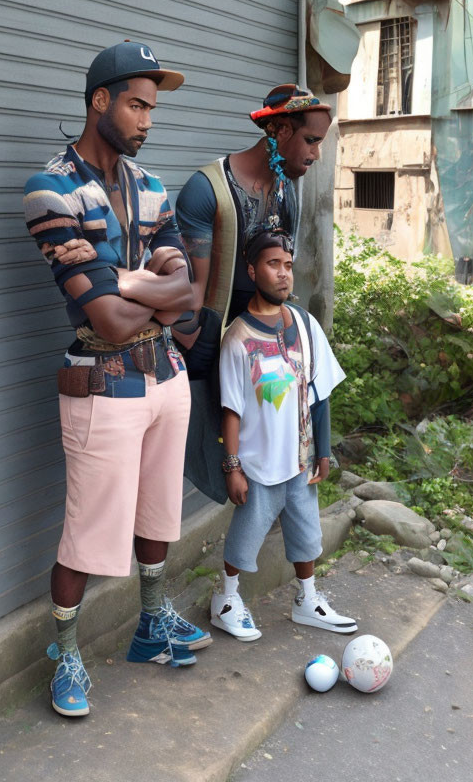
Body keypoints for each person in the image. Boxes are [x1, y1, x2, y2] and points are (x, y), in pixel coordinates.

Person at [23, 41, 211, 718]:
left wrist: (129, 282)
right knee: (88, 533)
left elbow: (187, 290)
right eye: (136, 104)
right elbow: (104, 315)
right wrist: (143, 288)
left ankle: (151, 623)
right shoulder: (51, 189)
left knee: (160, 514)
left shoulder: (152, 187)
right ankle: (65, 652)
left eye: (152, 108)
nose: (148, 120)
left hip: (166, 376)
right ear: (99, 100)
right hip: (100, 380)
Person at [173, 85, 333, 504]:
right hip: (211, 351)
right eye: (311, 141)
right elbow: (194, 296)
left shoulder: (287, 194)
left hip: (269, 346)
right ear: (279, 130)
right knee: (192, 457)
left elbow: (283, 276)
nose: (316, 155)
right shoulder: (207, 190)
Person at [210, 227, 357, 641]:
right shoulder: (237, 339)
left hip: (300, 459)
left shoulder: (306, 326)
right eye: (273, 264)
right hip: (259, 463)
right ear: (253, 270)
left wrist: (322, 450)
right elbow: (231, 410)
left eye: (288, 266)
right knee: (245, 538)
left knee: (307, 533)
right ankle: (226, 598)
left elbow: (319, 391)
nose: (283, 274)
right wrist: (233, 466)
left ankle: (307, 599)